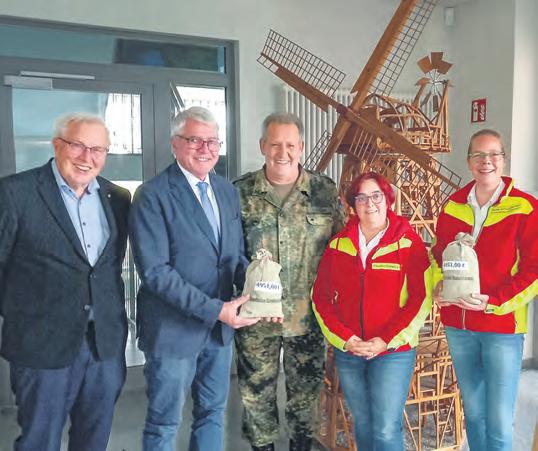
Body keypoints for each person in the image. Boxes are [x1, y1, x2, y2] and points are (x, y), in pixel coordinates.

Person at [129, 106, 259, 451]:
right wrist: (217, 310)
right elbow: (156, 273)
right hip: (173, 330)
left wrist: (260, 286)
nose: (206, 149)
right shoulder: (152, 195)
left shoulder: (227, 191)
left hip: (218, 332)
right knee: (164, 424)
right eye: (195, 140)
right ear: (175, 143)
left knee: (212, 413)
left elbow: (233, 256)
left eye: (213, 141)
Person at [0, 113, 130, 451]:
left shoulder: (117, 198)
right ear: (57, 145)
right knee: (39, 441)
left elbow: (106, 269)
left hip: (104, 346)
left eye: (98, 149)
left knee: (94, 439)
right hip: (41, 346)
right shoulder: (14, 193)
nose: (87, 157)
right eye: (78, 146)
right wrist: (23, 316)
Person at [233, 112, 343, 451]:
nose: (283, 152)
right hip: (256, 320)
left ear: (302, 147)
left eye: (291, 145)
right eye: (275, 144)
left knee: (305, 401)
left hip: (308, 318)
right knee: (256, 399)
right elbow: (229, 254)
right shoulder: (240, 192)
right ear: (262, 146)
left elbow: (341, 249)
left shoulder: (324, 191)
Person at [431, 129, 537, 451]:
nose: (486, 161)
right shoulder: (452, 206)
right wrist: (437, 284)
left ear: (503, 159)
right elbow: (437, 255)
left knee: (500, 421)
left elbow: (534, 270)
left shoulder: (525, 207)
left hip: (501, 328)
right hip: (458, 326)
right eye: (478, 155)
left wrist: (495, 303)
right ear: (468, 161)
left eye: (493, 154)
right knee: (475, 415)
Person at [311, 171, 432, 451]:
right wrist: (346, 339)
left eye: (376, 196)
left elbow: (420, 298)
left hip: (392, 353)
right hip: (350, 351)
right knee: (363, 424)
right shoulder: (339, 245)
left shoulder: (408, 243)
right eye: (361, 197)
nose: (370, 203)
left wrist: (386, 340)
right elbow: (320, 298)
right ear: (353, 205)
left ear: (388, 200)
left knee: (386, 427)